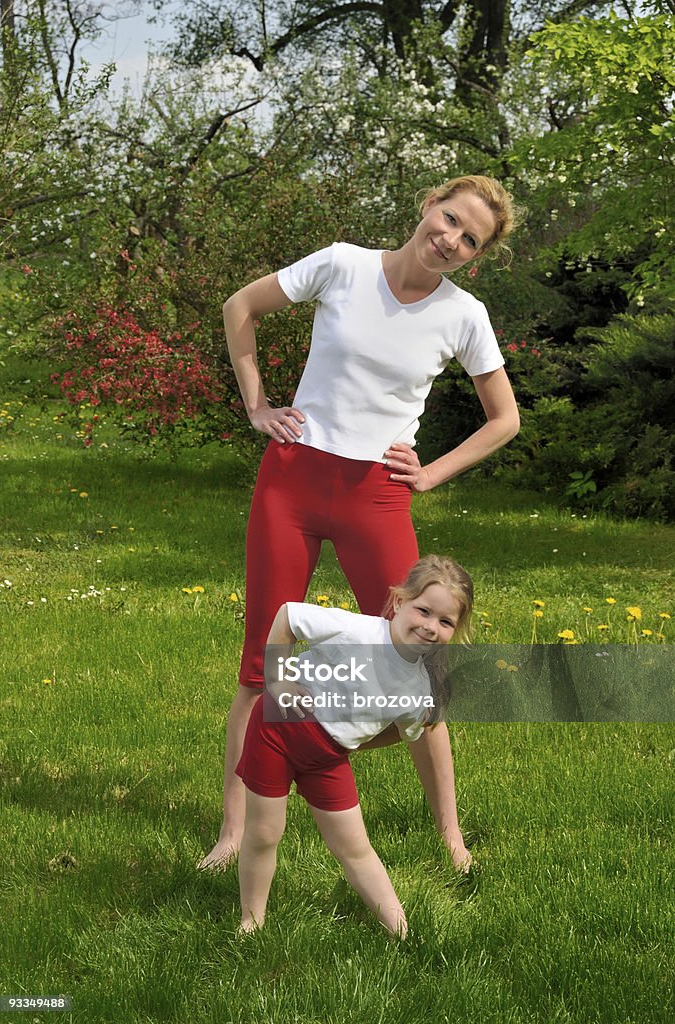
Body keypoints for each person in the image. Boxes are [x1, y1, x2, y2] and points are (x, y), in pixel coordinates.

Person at [199, 174, 521, 874]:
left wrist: (430, 473)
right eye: (449, 219)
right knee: (262, 667)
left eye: (469, 240)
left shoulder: (463, 314)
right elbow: (239, 308)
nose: (450, 240)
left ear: (474, 255)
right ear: (426, 203)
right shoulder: (341, 263)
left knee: (419, 672)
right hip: (290, 482)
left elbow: (505, 420)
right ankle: (231, 833)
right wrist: (257, 406)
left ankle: (450, 840)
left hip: (377, 499)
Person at [236, 556, 474, 937]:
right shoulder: (358, 631)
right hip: (277, 730)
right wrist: (277, 682)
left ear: (455, 630)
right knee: (265, 832)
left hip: (328, 758)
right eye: (424, 611)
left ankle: (400, 930)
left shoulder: (421, 689)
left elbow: (406, 730)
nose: (431, 627)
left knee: (355, 847)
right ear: (399, 603)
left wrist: (354, 741)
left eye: (445, 622)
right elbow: (288, 617)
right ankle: (252, 921)